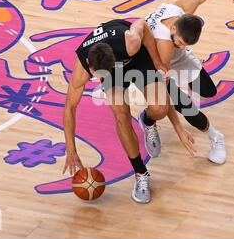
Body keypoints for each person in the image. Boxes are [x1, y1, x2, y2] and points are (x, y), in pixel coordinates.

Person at [62, 18, 189, 204]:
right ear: (90, 66)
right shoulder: (82, 66)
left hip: (136, 59)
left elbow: (143, 24)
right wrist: (71, 149)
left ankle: (148, 120)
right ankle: (140, 172)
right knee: (121, 116)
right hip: (112, 68)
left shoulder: (130, 42)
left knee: (160, 109)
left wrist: (156, 61)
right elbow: (70, 108)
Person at [141, 0, 234, 164]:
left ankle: (162, 109)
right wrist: (179, 128)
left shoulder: (179, 10)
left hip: (175, 59)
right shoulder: (165, 42)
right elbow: (163, 82)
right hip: (154, 64)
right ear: (173, 29)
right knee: (186, 107)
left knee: (209, 91)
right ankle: (215, 137)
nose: (183, 46)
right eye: (182, 42)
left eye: (186, 44)